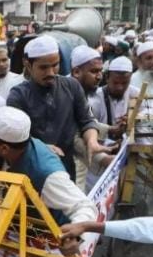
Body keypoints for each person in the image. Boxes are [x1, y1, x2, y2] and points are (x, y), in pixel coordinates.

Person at [7, 35, 108, 181]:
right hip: (31, 172)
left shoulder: (72, 86)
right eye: (43, 67)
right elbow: (15, 138)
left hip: (66, 170)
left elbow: (86, 121)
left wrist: (92, 140)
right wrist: (41, 148)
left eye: (55, 65)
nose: (50, 73)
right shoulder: (18, 95)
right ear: (27, 65)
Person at [0, 107, 97, 226]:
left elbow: (85, 207)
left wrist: (72, 234)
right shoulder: (10, 150)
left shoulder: (47, 174)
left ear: (4, 149)